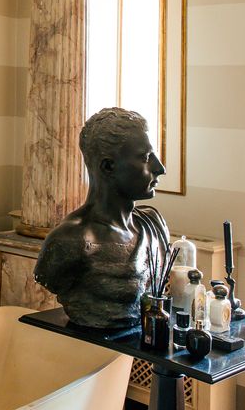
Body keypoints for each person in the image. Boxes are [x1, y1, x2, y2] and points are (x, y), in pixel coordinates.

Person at [34, 107, 169, 330]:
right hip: (88, 349)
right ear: (108, 167)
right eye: (146, 158)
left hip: (136, 344)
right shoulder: (71, 239)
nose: (160, 168)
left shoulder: (153, 224)